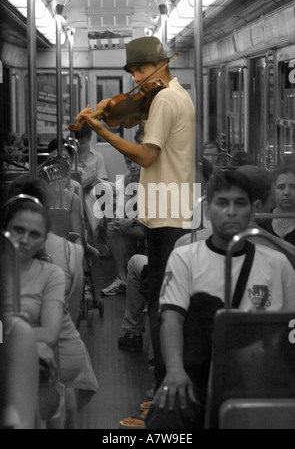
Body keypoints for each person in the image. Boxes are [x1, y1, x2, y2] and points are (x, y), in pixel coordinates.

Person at [76, 36, 195, 392]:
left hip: (166, 217)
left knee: (162, 306)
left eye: (141, 69)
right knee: (165, 301)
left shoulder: (164, 100)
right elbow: (134, 111)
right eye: (133, 72)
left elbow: (145, 156)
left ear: (161, 64)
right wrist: (108, 110)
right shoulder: (177, 96)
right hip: (174, 212)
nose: (137, 79)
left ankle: (162, 391)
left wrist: (102, 131)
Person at [149, 170, 295, 428]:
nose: (231, 211)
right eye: (222, 203)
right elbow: (171, 317)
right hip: (199, 372)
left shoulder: (277, 263)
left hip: (258, 376)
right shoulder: (185, 257)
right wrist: (174, 370)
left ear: (253, 210)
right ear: (207, 210)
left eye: (240, 204)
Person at [5, 176, 98, 428]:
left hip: (43, 367)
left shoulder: (50, 274)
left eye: (34, 234)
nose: (24, 240)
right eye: (18, 230)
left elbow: (50, 332)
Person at [101, 157, 146, 296]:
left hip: (155, 224)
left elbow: (158, 212)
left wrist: (132, 221)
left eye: (135, 161)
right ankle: (123, 279)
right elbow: (123, 207)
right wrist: (120, 219)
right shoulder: (127, 180)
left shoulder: (153, 178)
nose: (132, 166)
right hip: (139, 222)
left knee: (122, 227)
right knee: (113, 227)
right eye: (128, 162)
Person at [261, 166, 295, 246]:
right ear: (272, 190)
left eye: (293, 187)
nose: (287, 192)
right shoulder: (263, 219)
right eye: (281, 187)